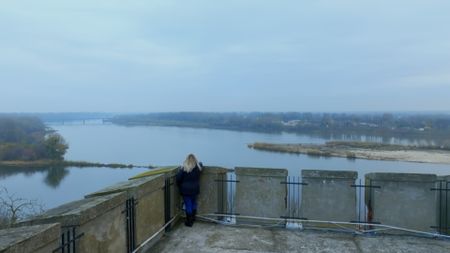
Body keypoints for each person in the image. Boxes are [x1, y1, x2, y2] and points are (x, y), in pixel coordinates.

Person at [176, 154, 203, 227]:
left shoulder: (184, 168)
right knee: (193, 203)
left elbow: (178, 178)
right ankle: (193, 218)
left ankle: (189, 222)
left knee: (188, 205)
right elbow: (201, 163)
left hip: (186, 190)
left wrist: (179, 186)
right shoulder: (198, 168)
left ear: (187, 160)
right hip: (195, 189)